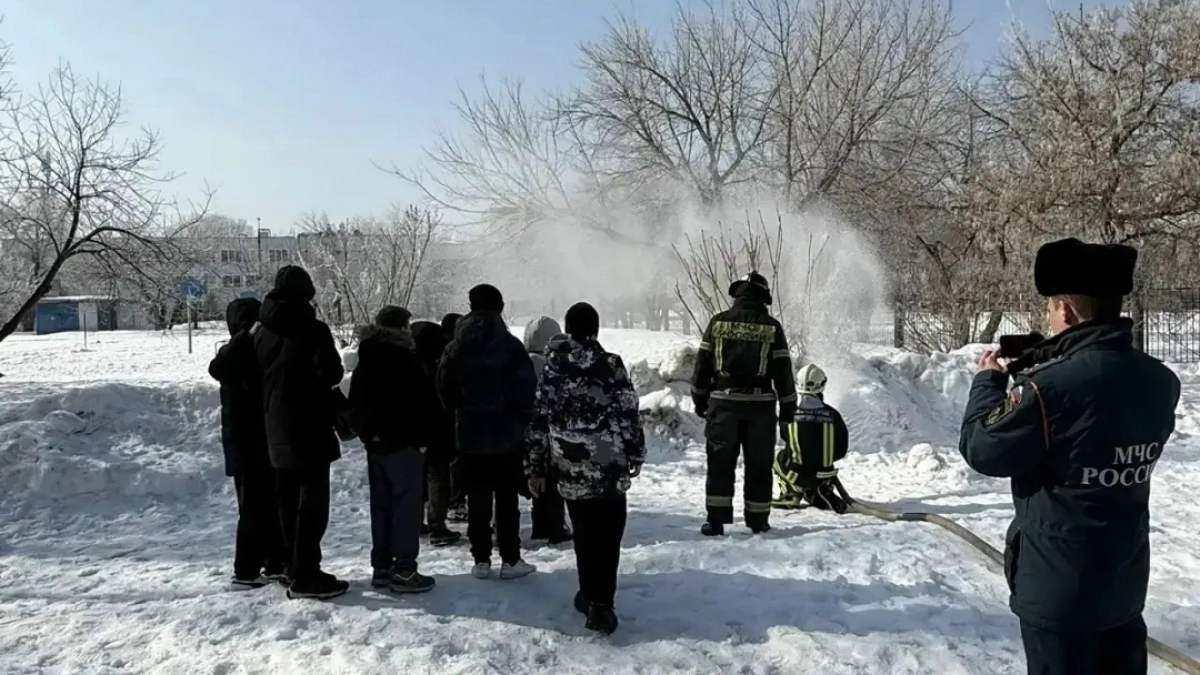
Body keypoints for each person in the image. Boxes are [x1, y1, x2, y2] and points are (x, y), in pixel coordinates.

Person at [958, 238, 1181, 675]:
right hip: (1123, 584)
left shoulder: (1047, 389)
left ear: (1065, 310)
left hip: (1058, 594)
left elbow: (982, 448)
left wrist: (987, 384)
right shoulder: (1160, 382)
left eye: (1050, 307)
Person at [527, 302, 645, 635]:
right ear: (595, 329)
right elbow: (628, 414)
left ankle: (589, 594)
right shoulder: (610, 365)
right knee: (608, 536)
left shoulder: (553, 368)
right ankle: (601, 604)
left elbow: (538, 419)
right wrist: (635, 454)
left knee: (583, 533)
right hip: (608, 469)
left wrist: (536, 466)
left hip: (569, 469)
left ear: (568, 328)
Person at [253, 265, 350, 600]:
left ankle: (292, 566)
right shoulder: (313, 329)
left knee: (286, 502)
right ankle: (307, 572)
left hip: (274, 425)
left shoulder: (262, 330)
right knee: (312, 504)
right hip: (308, 427)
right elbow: (331, 372)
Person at [437, 285, 538, 580]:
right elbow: (526, 389)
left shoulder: (455, 346)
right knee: (507, 500)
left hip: (469, 434)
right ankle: (510, 559)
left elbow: (444, 385)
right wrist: (520, 420)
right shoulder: (510, 345)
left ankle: (480, 559)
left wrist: (459, 412)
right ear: (500, 307)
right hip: (506, 436)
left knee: (477, 498)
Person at [691, 272, 797, 536]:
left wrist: (699, 399)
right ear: (763, 297)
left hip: (722, 406)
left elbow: (702, 366)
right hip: (760, 409)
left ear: (737, 295)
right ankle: (758, 519)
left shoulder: (717, 323)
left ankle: (715, 521)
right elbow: (783, 374)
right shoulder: (772, 327)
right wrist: (787, 414)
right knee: (759, 464)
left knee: (719, 463)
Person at [348, 306, 438, 594]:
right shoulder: (406, 360)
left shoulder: (366, 359)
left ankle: (382, 567)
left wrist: (367, 433)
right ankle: (405, 569)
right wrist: (423, 438)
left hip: (375, 446)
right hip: (403, 444)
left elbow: (356, 402)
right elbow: (420, 403)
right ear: (401, 328)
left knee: (382, 507)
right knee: (406, 508)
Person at [208, 297, 286, 589]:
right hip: (250, 443)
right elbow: (220, 369)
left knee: (266, 505)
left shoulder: (240, 352)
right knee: (254, 509)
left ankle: (273, 562)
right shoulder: (238, 352)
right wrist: (246, 336)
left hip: (251, 442)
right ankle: (246, 569)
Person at [411, 319, 463, 547]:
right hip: (439, 430)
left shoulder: (410, 364)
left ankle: (416, 521)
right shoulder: (440, 365)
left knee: (419, 478)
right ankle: (437, 524)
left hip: (415, 431)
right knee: (438, 478)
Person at [773, 364, 849, 512]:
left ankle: (790, 494)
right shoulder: (833, 415)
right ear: (822, 385)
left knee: (777, 458)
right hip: (825, 473)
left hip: (798, 475)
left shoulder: (790, 415)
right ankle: (819, 491)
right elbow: (841, 449)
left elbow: (786, 438)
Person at [523, 316, 572, 544]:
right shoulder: (556, 366)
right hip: (550, 431)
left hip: (521, 430)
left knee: (533, 475)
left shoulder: (519, 361)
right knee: (551, 479)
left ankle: (536, 524)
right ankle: (554, 525)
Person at [441, 312, 468, 523]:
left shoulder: (449, 352)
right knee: (458, 462)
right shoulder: (459, 350)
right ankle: (456, 502)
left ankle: (454, 501)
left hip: (453, 413)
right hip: (460, 415)